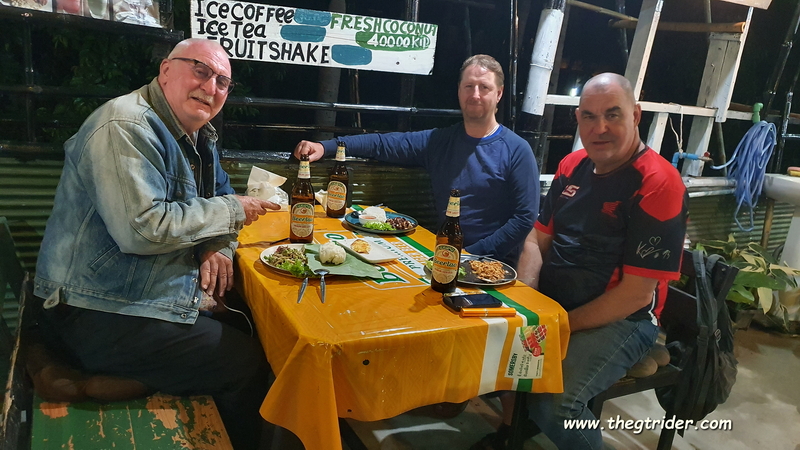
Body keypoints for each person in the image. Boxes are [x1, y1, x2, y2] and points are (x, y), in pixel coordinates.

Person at [33, 38, 278, 450]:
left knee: (249, 322)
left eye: (222, 81)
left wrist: (215, 245)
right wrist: (231, 211)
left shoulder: (197, 134)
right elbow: (143, 230)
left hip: (134, 289)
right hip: (92, 307)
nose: (211, 87)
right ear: (166, 71)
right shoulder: (125, 125)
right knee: (245, 362)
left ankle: (132, 378)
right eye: (200, 70)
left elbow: (219, 194)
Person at [474, 73, 688, 450]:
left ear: (636, 115)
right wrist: (527, 304)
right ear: (577, 118)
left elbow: (636, 295)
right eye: (589, 116)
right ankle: (513, 432)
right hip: (557, 305)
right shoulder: (573, 165)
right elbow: (536, 241)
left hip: (626, 321)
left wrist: (560, 326)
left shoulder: (659, 183)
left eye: (612, 114)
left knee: (556, 403)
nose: (599, 128)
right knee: (485, 344)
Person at [293, 54, 540, 267]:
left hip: (491, 265)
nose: (475, 94)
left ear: (499, 93)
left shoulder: (517, 150)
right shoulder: (439, 141)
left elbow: (524, 218)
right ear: (459, 91)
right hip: (444, 257)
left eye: (484, 87)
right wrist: (325, 147)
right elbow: (382, 143)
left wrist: (470, 255)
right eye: (469, 86)